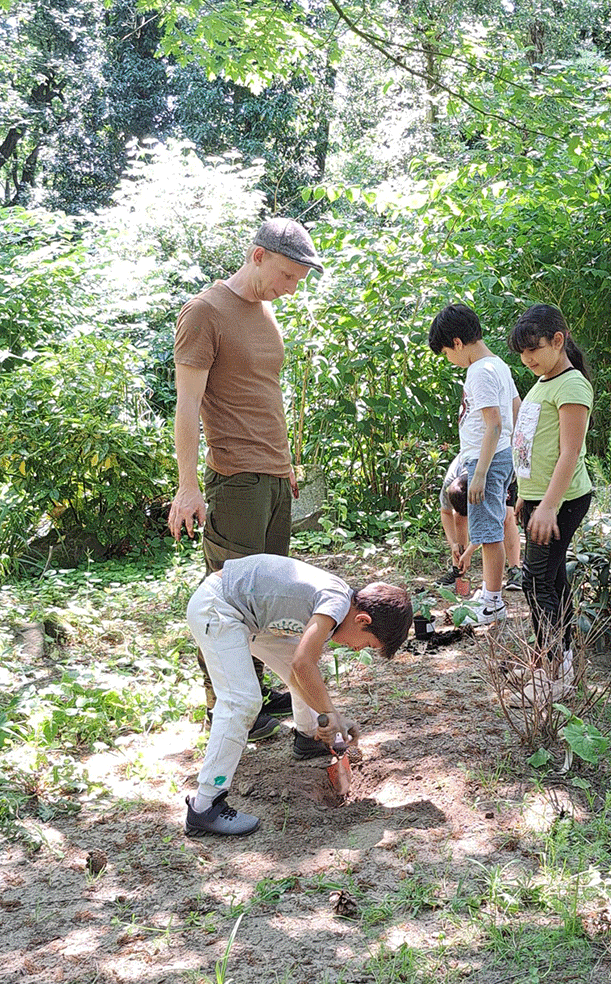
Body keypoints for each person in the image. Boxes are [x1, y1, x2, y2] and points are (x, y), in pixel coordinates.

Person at [168, 217, 324, 737]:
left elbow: (264, 395)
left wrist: (285, 466)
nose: (290, 288)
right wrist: (188, 486)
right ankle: (227, 704)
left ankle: (256, 692)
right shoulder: (204, 312)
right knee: (230, 596)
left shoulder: (265, 313)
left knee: (269, 595)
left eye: (298, 280)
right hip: (234, 479)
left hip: (274, 478)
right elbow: (187, 406)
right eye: (286, 275)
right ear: (258, 256)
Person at [184, 554, 413, 837]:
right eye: (366, 643)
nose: (357, 649)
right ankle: (205, 806)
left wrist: (330, 720)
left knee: (303, 671)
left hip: (248, 616)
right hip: (218, 607)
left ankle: (309, 737)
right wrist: (332, 716)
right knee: (242, 702)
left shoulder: (339, 603)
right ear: (363, 619)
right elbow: (302, 664)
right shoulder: (336, 602)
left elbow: (302, 667)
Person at [509, 304, 594, 701]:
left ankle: (553, 669)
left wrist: (547, 506)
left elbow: (569, 453)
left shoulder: (571, 385)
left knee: (536, 580)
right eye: (521, 353)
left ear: (558, 341)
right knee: (552, 579)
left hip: (562, 501)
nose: (527, 359)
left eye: (534, 349)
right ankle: (566, 661)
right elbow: (529, 446)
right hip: (539, 499)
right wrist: (521, 494)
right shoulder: (542, 382)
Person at [428, 304, 520, 625]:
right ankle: (488, 590)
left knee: (488, 531)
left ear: (457, 343)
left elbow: (494, 425)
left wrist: (480, 473)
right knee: (490, 525)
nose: (449, 360)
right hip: (499, 457)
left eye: (446, 353)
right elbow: (516, 410)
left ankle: (493, 603)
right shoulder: (499, 366)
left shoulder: (479, 371)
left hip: (487, 461)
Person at [439, 464, 522, 589]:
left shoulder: (492, 486)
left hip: (500, 472)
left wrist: (470, 551)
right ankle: (458, 568)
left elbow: (492, 526)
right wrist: (453, 544)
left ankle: (515, 571)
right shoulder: (450, 484)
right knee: (459, 518)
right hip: (474, 471)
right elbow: (446, 513)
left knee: (506, 517)